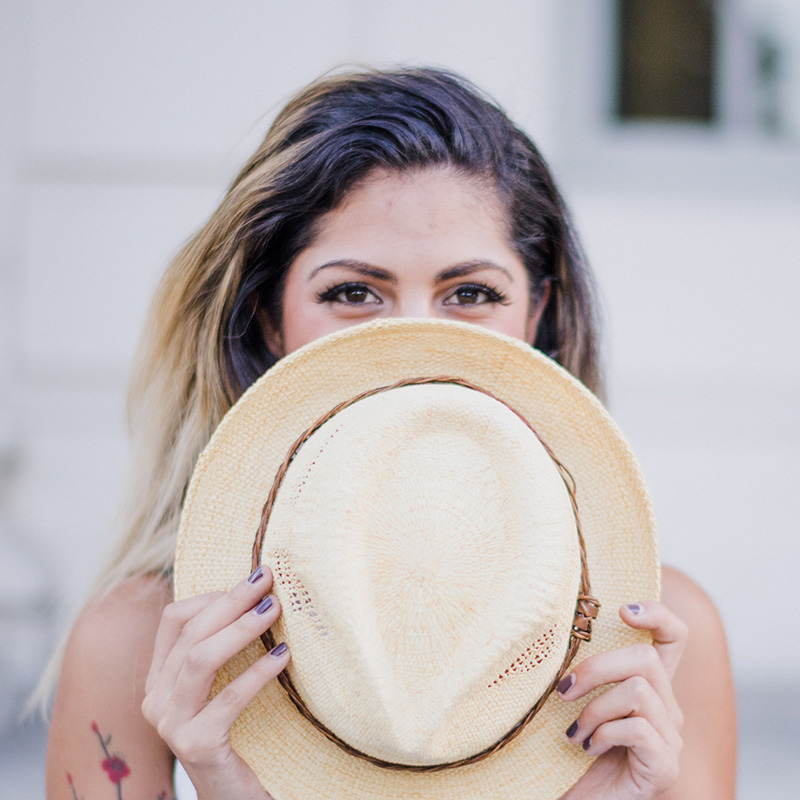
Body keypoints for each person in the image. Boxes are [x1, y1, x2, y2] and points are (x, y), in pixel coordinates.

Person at [43, 67, 736, 800]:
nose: (414, 340)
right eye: (353, 293)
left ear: (535, 318)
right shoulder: (134, 645)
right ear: (268, 318)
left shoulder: (654, 650)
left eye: (471, 293)